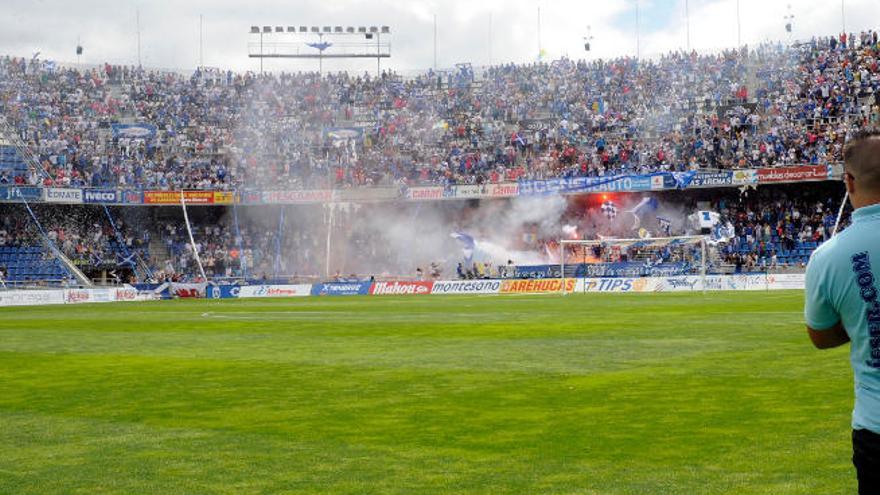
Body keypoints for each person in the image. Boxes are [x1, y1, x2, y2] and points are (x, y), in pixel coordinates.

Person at [804, 129, 880, 493]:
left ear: (848, 181)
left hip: (876, 428)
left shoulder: (828, 257)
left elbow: (820, 336)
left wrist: (868, 316)